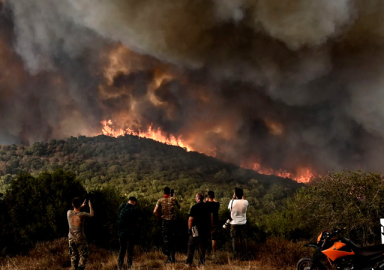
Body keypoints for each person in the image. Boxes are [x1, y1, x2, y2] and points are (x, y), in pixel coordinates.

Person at [153, 187, 181, 263]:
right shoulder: (174, 199)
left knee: (166, 240)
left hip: (165, 222)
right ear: (170, 193)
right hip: (173, 222)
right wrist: (174, 197)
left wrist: (160, 217)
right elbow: (179, 207)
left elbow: (155, 211)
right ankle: (173, 257)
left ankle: (168, 258)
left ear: (163, 193)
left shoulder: (160, 200)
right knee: (173, 239)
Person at [67, 197, 94, 270]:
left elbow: (75, 210)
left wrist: (80, 206)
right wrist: (90, 206)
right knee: (84, 255)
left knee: (73, 256)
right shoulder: (82, 215)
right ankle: (80, 268)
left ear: (72, 204)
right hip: (80, 238)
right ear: (79, 204)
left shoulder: (69, 213)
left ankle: (73, 268)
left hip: (71, 238)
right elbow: (91, 215)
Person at [186, 193, 211, 267]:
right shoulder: (207, 207)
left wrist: (189, 229)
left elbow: (190, 219)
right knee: (202, 246)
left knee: (191, 245)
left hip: (195, 228)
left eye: (196, 197)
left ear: (198, 198)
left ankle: (189, 262)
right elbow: (210, 217)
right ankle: (201, 263)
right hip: (204, 228)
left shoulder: (194, 207)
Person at [117, 196, 141, 269]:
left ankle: (120, 266)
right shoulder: (134, 210)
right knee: (130, 250)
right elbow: (138, 218)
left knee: (122, 250)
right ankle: (129, 266)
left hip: (121, 232)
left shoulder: (122, 207)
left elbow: (118, 216)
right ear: (134, 202)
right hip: (130, 232)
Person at [228, 188, 248, 259]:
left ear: (235, 194)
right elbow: (245, 205)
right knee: (243, 239)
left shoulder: (232, 202)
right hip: (243, 223)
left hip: (234, 223)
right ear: (242, 194)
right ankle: (244, 255)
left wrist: (233, 198)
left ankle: (236, 256)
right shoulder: (245, 202)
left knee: (234, 240)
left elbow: (230, 209)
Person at [205, 190, 220, 256]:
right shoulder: (217, 204)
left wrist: (206, 200)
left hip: (207, 221)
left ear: (208, 196)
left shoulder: (206, 204)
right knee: (214, 238)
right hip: (215, 221)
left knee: (206, 237)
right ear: (213, 196)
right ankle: (214, 253)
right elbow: (217, 202)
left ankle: (206, 252)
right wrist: (213, 199)